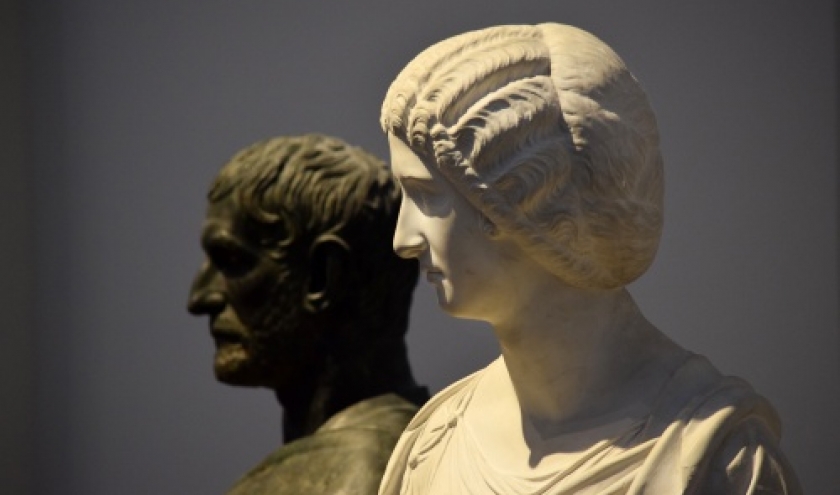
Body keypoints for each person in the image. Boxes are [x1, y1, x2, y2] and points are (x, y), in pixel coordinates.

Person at [377, 24, 800, 494]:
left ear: (525, 203)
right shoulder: (431, 445)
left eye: (425, 195)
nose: (402, 240)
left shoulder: (719, 462)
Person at [187, 134, 428, 494]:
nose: (199, 298)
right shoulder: (442, 453)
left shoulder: (354, 478)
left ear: (322, 276)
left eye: (234, 262)